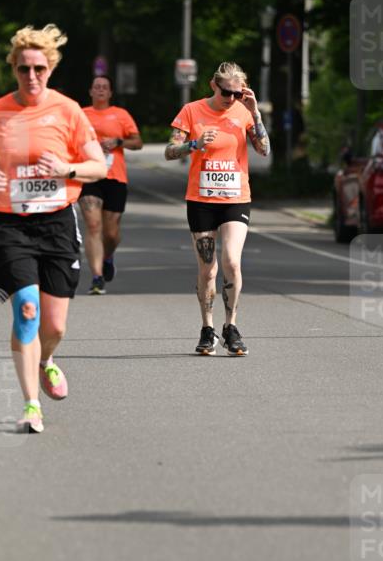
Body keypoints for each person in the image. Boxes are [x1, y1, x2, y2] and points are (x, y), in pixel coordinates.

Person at [0, 24, 106, 433]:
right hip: (10, 224)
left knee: (55, 325)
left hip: (57, 223)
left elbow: (99, 166)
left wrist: (68, 168)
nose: (32, 76)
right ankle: (31, 404)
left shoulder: (68, 110)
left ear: (51, 69)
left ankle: (46, 359)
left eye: (40, 69)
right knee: (26, 308)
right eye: (24, 68)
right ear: (14, 68)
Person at [165, 61, 270, 355]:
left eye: (238, 93)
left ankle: (231, 326)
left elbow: (264, 149)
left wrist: (256, 113)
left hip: (236, 198)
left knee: (232, 262)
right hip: (201, 200)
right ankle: (207, 328)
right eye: (227, 92)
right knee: (208, 270)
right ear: (214, 85)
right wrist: (195, 144)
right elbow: (169, 151)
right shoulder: (192, 110)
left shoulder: (244, 111)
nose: (232, 98)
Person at [79, 75, 143, 294]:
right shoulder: (81, 115)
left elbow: (138, 142)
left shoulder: (121, 114)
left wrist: (118, 142)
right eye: (96, 87)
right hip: (89, 175)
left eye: (104, 87)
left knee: (112, 233)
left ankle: (107, 257)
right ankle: (97, 277)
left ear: (110, 93)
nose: (100, 90)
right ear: (90, 91)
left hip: (115, 176)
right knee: (93, 225)